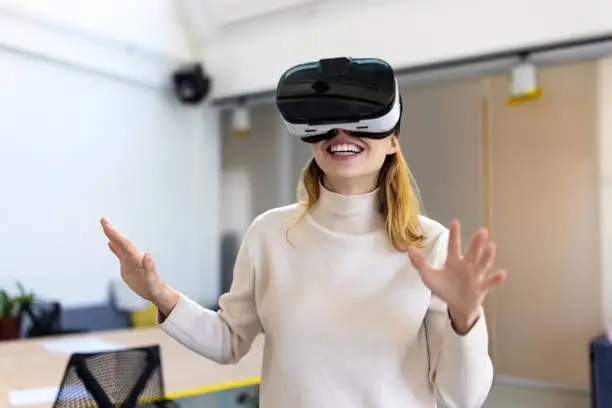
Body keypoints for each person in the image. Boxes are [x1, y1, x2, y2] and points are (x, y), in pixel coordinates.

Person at [101, 57, 506, 408]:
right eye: (328, 125)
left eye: (358, 122)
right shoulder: (269, 234)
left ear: (393, 140)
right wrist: (160, 295)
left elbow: (461, 398)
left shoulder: (428, 246)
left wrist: (465, 318)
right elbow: (228, 342)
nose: (341, 135)